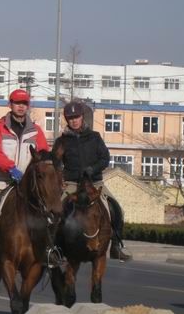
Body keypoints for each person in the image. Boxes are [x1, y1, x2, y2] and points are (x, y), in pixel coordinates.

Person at [0, 89, 54, 267]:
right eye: (17, 103)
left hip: (28, 184)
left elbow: (43, 154)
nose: (21, 107)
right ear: (10, 105)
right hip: (0, 180)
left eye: (24, 104)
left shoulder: (36, 131)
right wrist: (11, 168)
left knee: (50, 211)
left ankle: (50, 249)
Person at [54, 101, 131, 261]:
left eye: (77, 117)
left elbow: (105, 158)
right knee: (56, 212)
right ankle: (57, 249)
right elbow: (55, 162)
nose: (74, 120)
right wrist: (59, 174)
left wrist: (92, 169)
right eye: (70, 118)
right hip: (72, 184)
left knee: (117, 209)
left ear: (82, 117)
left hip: (95, 184)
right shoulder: (61, 141)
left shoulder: (95, 137)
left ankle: (116, 247)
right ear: (66, 120)